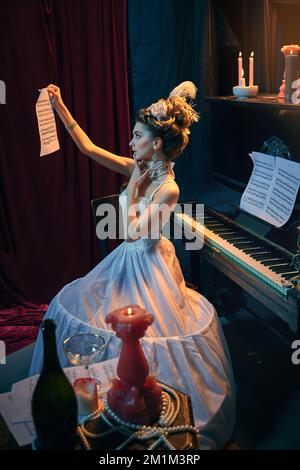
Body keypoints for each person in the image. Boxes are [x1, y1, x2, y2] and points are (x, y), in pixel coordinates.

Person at [29, 81, 235, 449]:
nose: (129, 142)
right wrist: (60, 106)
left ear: (156, 143)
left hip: (148, 264)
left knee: (150, 338)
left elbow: (130, 233)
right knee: (93, 315)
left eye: (137, 135)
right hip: (126, 261)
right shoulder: (139, 166)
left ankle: (146, 404)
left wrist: (135, 191)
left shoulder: (168, 189)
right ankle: (113, 399)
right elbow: (87, 148)